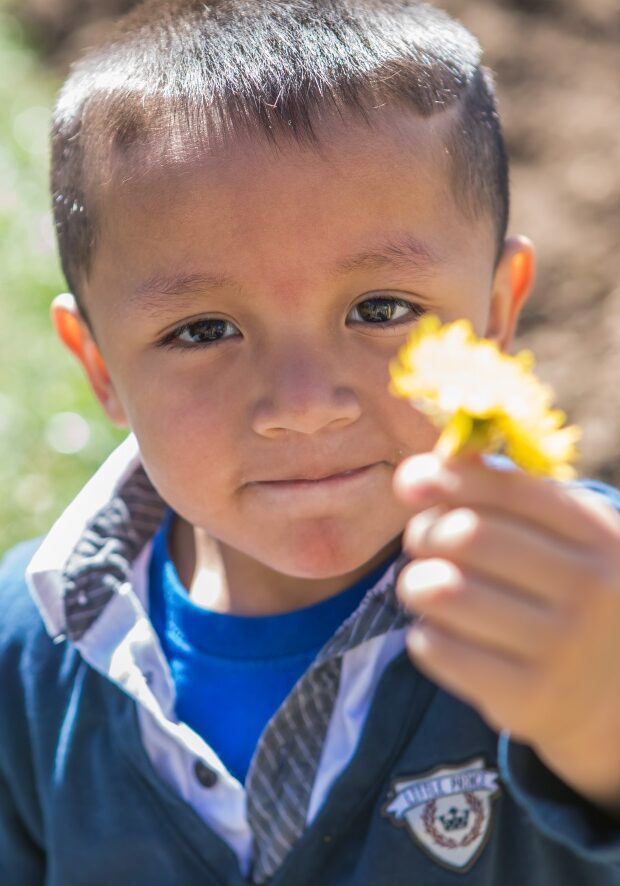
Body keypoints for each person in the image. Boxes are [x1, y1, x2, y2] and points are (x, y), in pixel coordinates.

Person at [2, 0, 620, 882]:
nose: (302, 406)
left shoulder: (575, 590)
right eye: (203, 330)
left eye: (380, 311)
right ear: (98, 365)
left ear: (496, 313)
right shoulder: (33, 651)